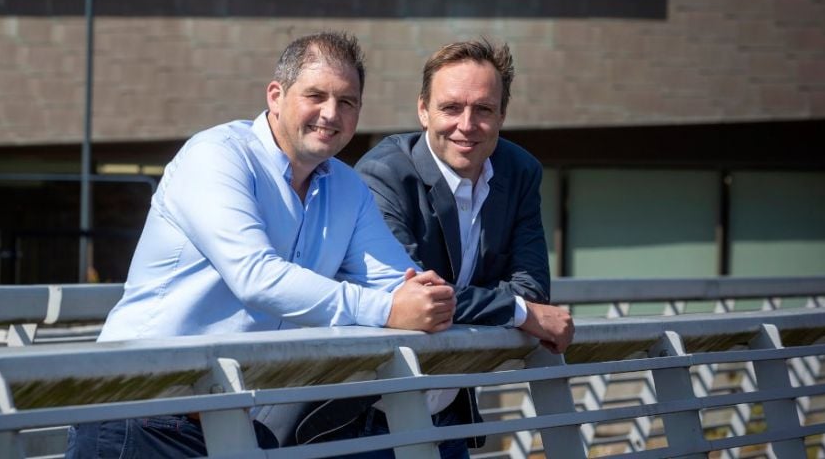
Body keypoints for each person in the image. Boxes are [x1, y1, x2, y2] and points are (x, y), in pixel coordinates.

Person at [65, 31, 457, 459]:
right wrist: (386, 310)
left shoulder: (347, 186)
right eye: (316, 95)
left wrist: (422, 297)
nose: (331, 113)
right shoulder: (216, 156)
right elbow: (255, 275)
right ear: (276, 95)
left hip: (231, 419)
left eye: (347, 102)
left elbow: (397, 283)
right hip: (139, 411)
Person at [335, 39, 575, 457]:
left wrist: (525, 306)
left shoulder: (520, 171)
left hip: (447, 415)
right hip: (364, 419)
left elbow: (534, 290)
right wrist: (517, 312)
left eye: (483, 109)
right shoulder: (385, 173)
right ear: (423, 110)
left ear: (502, 114)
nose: (467, 124)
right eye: (451, 108)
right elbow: (413, 295)